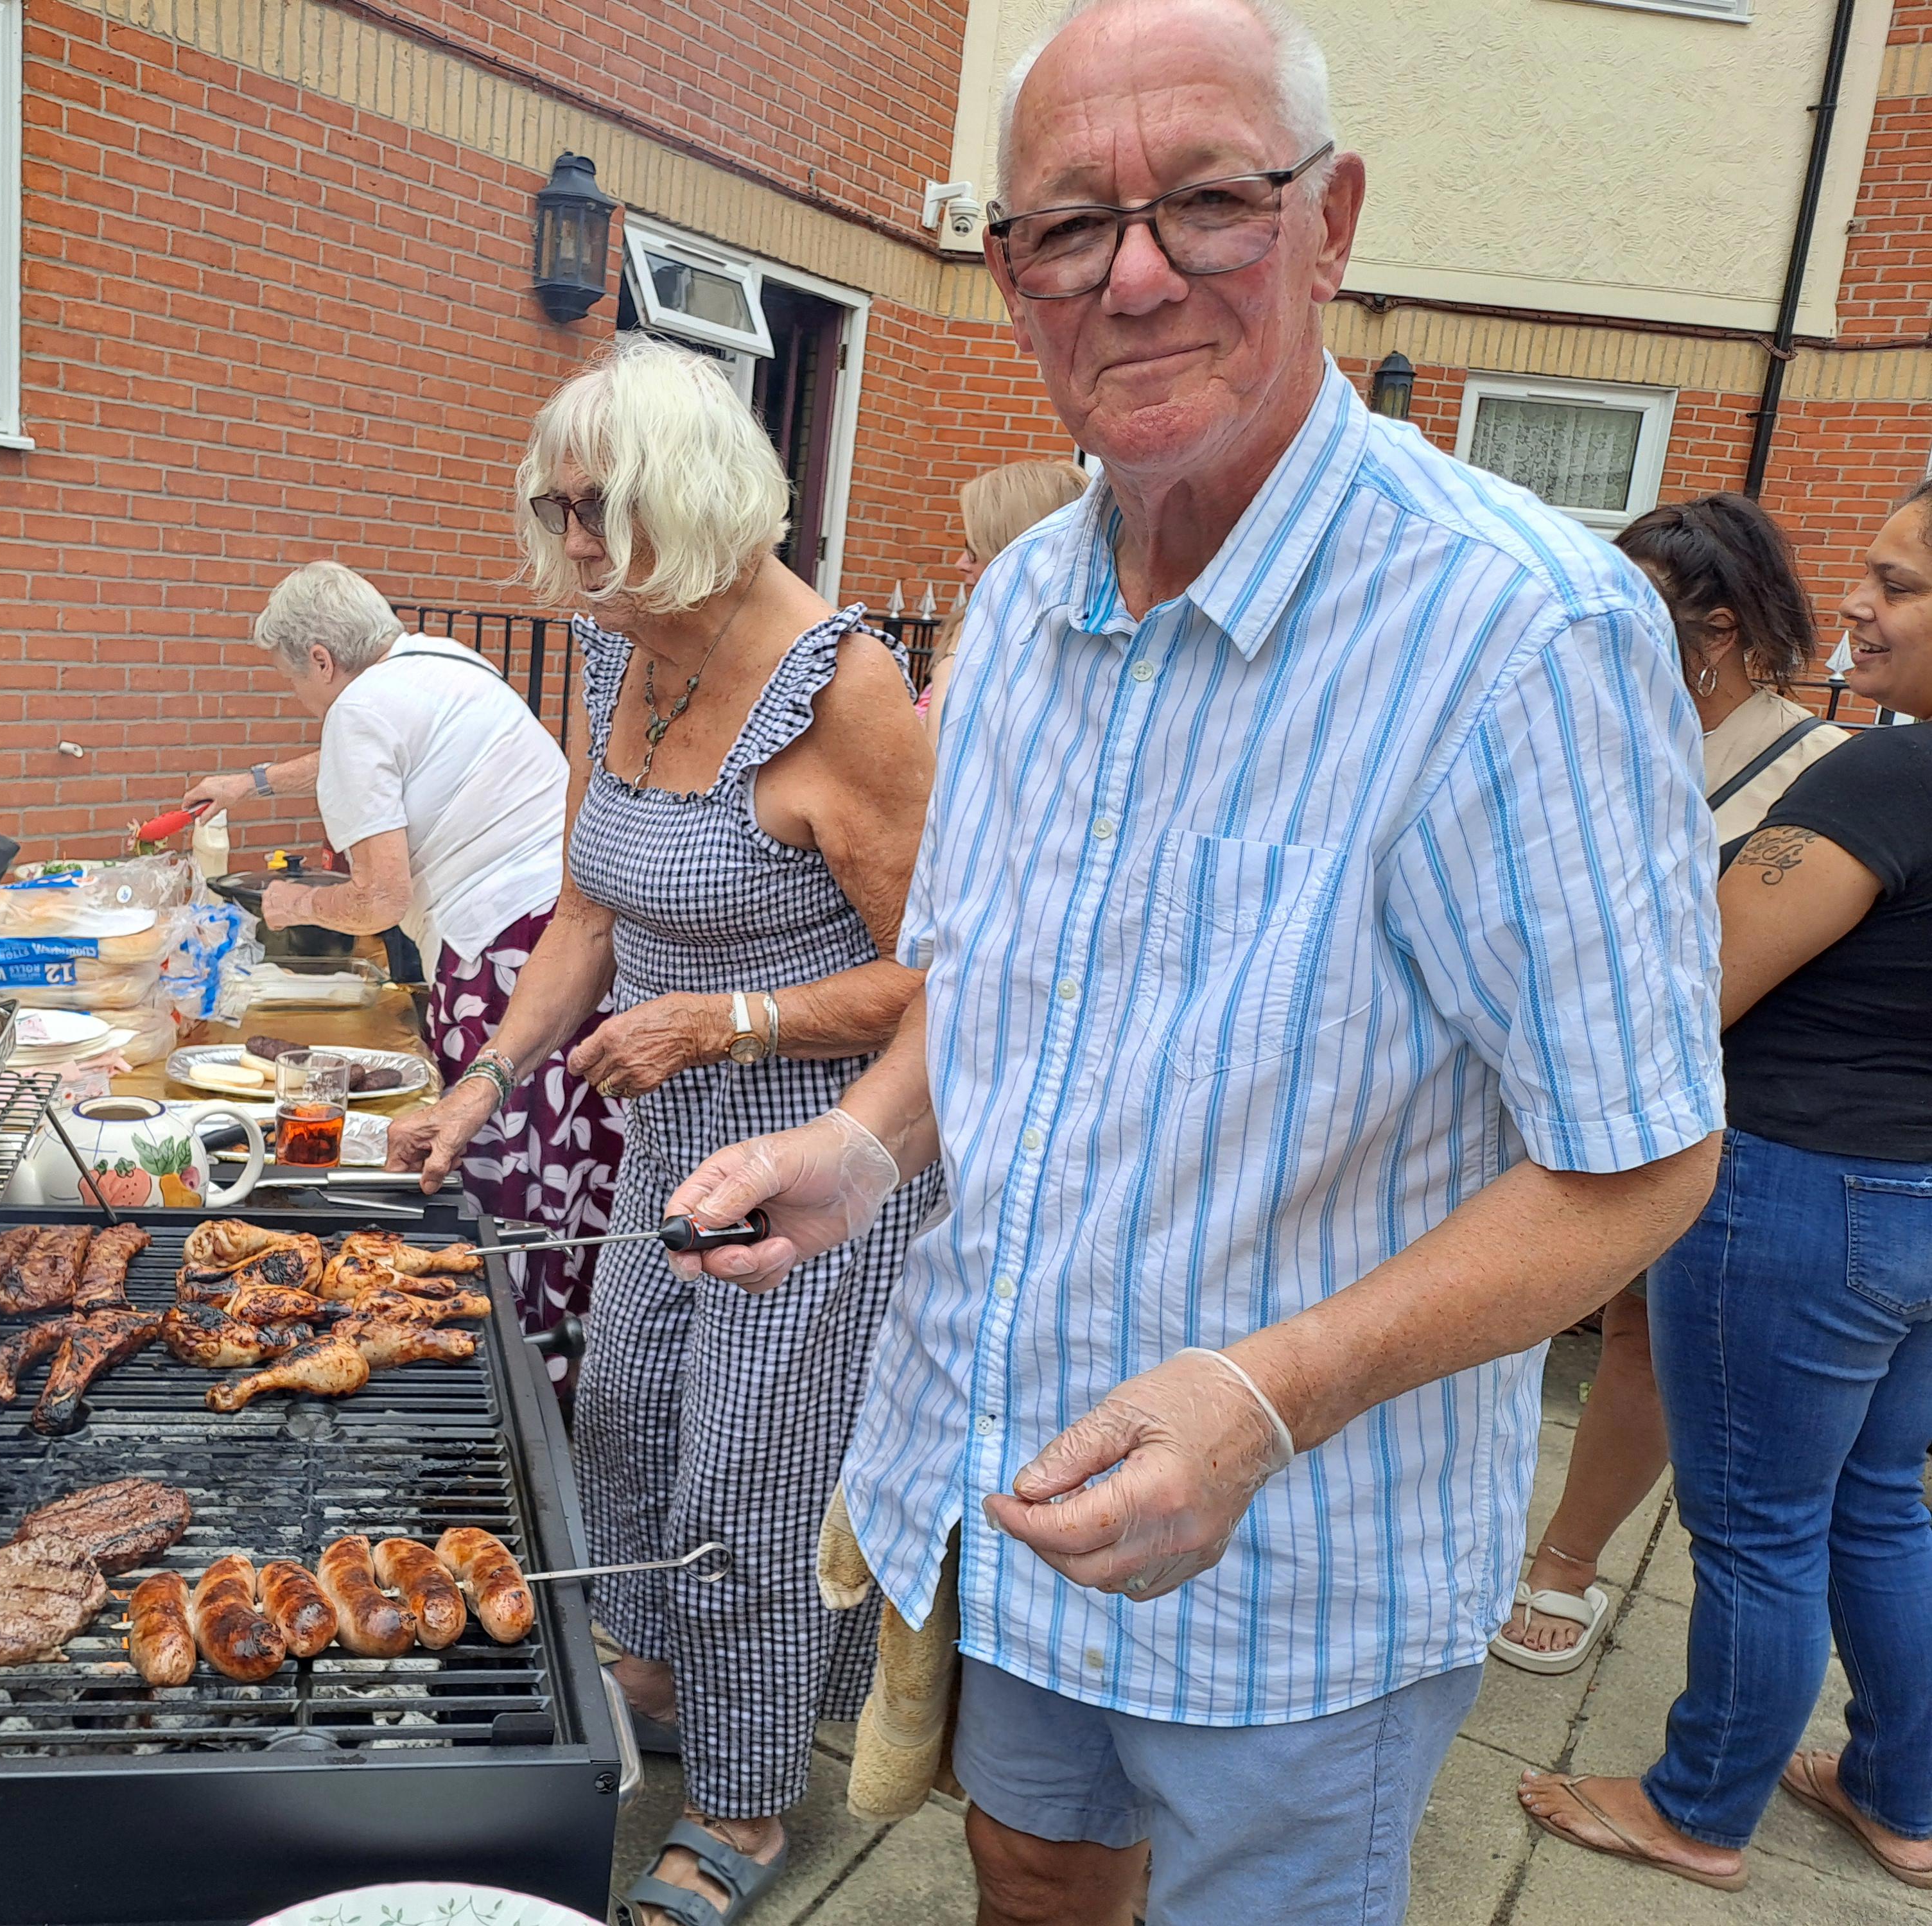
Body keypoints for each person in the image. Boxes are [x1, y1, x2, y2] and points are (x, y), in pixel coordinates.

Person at [660, 3, 1726, 1922]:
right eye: (1068, 227)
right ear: (1007, 277)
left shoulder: (1524, 633)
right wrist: (866, 1147)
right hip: (999, 1482)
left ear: (1327, 224)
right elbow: (996, 979)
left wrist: (1264, 1396)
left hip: (1303, 1554)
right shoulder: (1022, 605)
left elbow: (1643, 1155)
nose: (1133, 274)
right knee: (1032, 1871)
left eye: (1205, 206)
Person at [386, 336, 940, 1926]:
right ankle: (654, 1682)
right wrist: (483, 1082)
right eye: (554, 508)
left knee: (748, 1483)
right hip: (662, 1144)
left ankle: (752, 1805)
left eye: (596, 512)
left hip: (825, 1153)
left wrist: (724, 1019)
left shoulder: (847, 692)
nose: (567, 550)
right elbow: (590, 904)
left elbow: (943, 975)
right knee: (620, 1419)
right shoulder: (624, 652)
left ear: (694, 506)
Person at [1518, 488, 1932, 1893]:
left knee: (1754, 1521)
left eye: (1894, 583)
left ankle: (1693, 1808)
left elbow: (1689, 993)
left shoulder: (1880, 777)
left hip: (1797, 1195)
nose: (1857, 607)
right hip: (1916, 1194)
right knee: (1877, 1502)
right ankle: (1899, 1794)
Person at [1493, 494, 1846, 1673]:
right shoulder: (1596, 734)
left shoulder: (1815, 769)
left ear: (1731, 629)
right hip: (1539, 1072)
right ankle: (1472, 1528)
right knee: (1508, 1304)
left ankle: (1567, 1561)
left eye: (1646, 611)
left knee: (1646, 1330)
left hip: (1720, 1095)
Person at [182, 561, 623, 1351]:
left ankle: (509, 1340)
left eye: (293, 680)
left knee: (500, 1150)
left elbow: (378, 901)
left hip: (501, 946)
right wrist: (252, 782)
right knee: (569, 1141)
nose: (302, 700)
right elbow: (375, 758)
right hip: (572, 924)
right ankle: (577, 1327)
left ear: (320, 659)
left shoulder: (357, 709)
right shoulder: (447, 661)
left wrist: (294, 905)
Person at [919, 459, 1090, 733]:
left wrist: (951, 660)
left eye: (974, 549)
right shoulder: (991, 632)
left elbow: (940, 757)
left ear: (1012, 549)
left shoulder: (1045, 662)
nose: (961, 563)